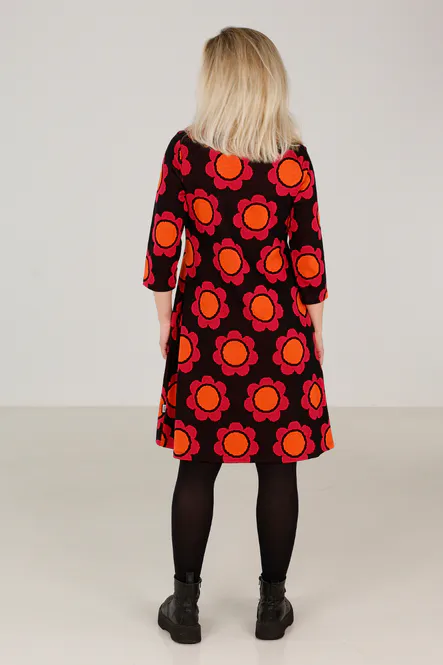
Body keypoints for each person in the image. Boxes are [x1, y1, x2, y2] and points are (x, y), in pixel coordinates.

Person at [143, 26, 334, 644]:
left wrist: (166, 321)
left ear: (215, 82)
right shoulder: (292, 159)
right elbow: (309, 257)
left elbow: (163, 246)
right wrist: (316, 334)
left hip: (204, 329)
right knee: (278, 469)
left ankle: (185, 609)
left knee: (196, 468)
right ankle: (272, 608)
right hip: (280, 333)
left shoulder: (185, 153)